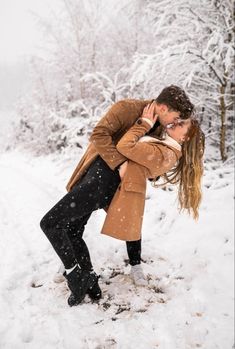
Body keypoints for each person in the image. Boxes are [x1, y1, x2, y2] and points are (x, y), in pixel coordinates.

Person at [40, 85, 204, 306]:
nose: (174, 123)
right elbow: (98, 134)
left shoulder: (158, 128)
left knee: (56, 224)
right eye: (175, 117)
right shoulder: (127, 108)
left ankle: (77, 277)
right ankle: (90, 284)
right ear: (163, 108)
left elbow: (147, 156)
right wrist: (121, 164)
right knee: (72, 229)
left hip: (107, 185)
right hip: (96, 176)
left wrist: (148, 167)